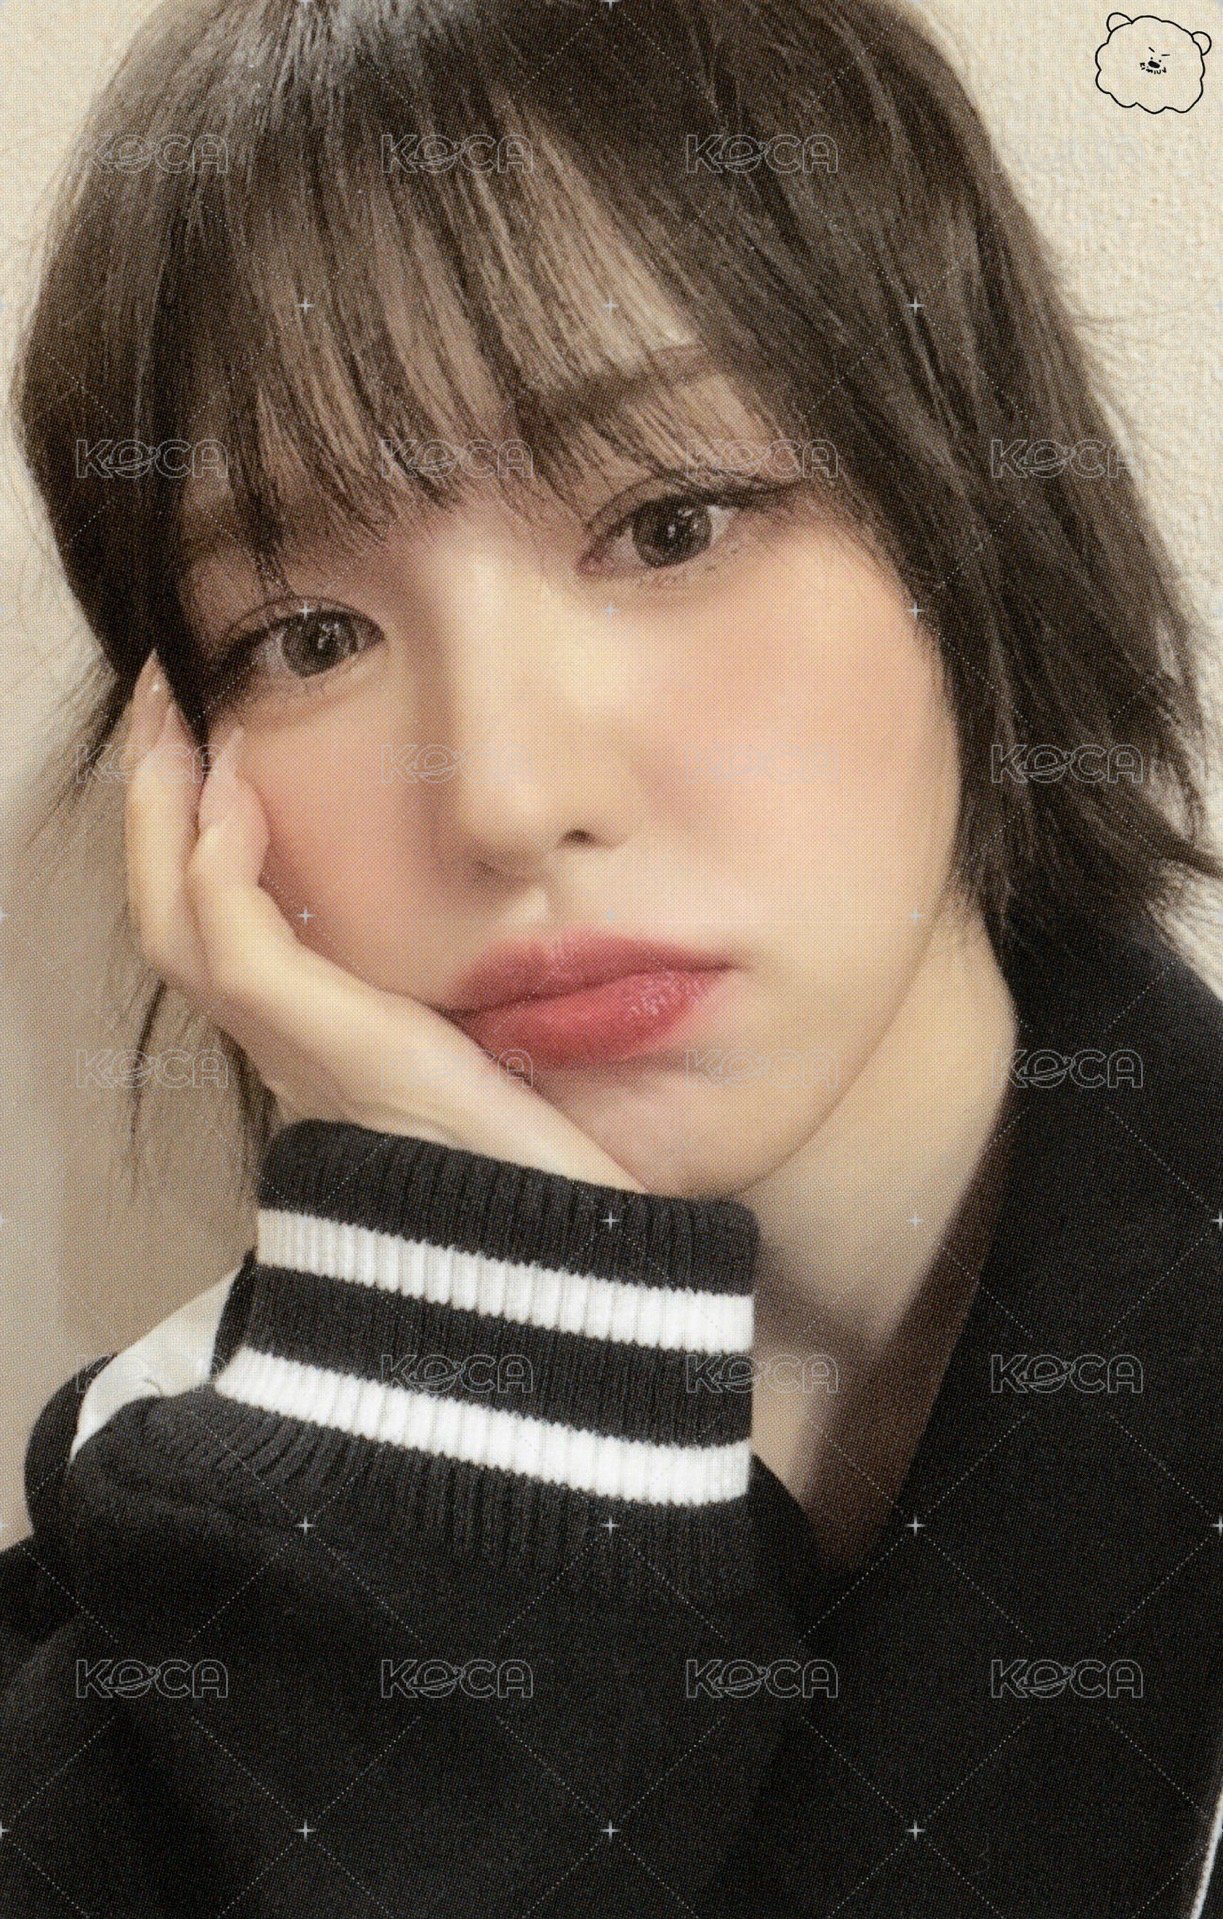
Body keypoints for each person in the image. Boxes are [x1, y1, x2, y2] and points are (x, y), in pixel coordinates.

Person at [2, 0, 1220, 1912]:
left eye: (672, 522)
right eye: (308, 636)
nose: (504, 796)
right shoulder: (172, 1536)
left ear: (974, 518)